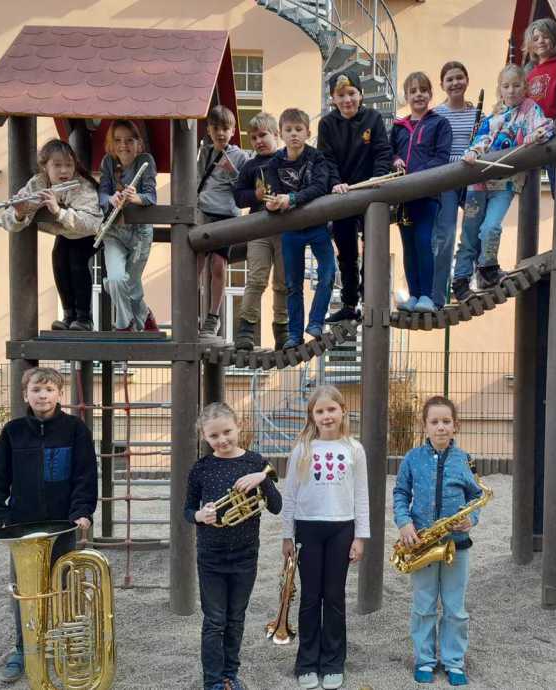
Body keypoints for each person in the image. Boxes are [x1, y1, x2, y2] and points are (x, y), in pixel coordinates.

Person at [0, 367, 97, 684]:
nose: (42, 395)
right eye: (36, 390)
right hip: (23, 528)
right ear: (25, 395)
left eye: (48, 389)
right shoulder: (12, 432)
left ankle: (63, 644)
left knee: (64, 587)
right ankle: (24, 648)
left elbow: (85, 477)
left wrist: (82, 511)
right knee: (24, 593)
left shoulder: (75, 430)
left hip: (62, 526)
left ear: (60, 394)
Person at [184, 402, 282, 690]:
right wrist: (200, 516)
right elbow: (187, 510)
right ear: (205, 437)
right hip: (211, 556)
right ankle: (213, 681)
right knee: (215, 620)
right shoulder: (201, 468)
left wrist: (263, 479)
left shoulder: (254, 463)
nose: (222, 440)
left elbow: (276, 507)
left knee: (236, 619)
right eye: (214, 436)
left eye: (227, 432)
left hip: (245, 556)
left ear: (238, 426)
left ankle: (230, 674)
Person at [280, 385, 369, 690]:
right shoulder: (302, 449)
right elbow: (289, 496)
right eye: (320, 411)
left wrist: (361, 537)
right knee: (309, 597)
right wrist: (287, 535)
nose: (327, 415)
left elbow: (361, 496)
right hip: (308, 529)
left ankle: (332, 662)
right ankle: (306, 663)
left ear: (343, 410)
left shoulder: (354, 449)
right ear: (312, 416)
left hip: (341, 529)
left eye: (332, 409)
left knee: (334, 597)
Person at [393, 395, 482, 687]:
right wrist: (405, 523)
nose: (441, 427)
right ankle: (425, 660)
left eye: (447, 422)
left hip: (458, 544)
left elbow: (476, 497)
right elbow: (401, 494)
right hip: (422, 544)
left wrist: (472, 519)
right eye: (435, 422)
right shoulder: (412, 459)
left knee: (455, 608)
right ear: (425, 425)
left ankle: (454, 661)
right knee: (424, 606)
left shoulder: (464, 460)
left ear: (456, 426)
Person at [451, 63, 552, 302]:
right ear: (500, 89)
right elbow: (482, 139)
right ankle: (461, 279)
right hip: (480, 182)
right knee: (470, 233)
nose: (512, 90)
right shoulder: (493, 116)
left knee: (491, 226)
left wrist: (534, 136)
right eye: (506, 86)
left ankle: (487, 269)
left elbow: (544, 128)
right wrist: (474, 152)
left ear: (525, 87)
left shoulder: (530, 110)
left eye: (517, 85)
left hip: (506, 182)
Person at [1, 139, 102, 331]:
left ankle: (84, 318)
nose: (64, 171)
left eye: (69, 165)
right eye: (57, 165)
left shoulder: (82, 185)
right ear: (45, 166)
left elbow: (92, 223)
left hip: (88, 235)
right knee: (59, 261)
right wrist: (19, 213)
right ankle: (68, 316)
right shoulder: (37, 183)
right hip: (65, 234)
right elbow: (8, 221)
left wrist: (58, 211)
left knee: (76, 262)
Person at [318, 68, 394, 322]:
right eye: (340, 95)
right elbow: (326, 159)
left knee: (373, 249)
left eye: (351, 93)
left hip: (370, 194)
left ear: (360, 94)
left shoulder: (373, 118)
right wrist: (336, 183)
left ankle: (370, 297)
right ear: (333, 99)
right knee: (347, 252)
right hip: (342, 195)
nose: (347, 100)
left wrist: (378, 177)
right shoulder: (327, 125)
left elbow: (383, 151)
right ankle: (350, 303)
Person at [263, 108, 336, 349]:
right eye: (289, 130)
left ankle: (316, 322)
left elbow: (319, 186)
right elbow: (271, 190)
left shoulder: (316, 157)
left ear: (307, 132)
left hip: (316, 225)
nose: (294, 134)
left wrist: (291, 198)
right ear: (280, 133)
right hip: (291, 228)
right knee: (292, 284)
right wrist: (273, 202)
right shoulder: (275, 163)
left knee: (327, 272)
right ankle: (295, 335)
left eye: (298, 130)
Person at [391, 71, 452, 313]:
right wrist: (395, 160)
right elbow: (389, 153)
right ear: (406, 96)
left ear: (430, 94)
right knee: (408, 246)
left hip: (427, 194)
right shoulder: (398, 127)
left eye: (423, 90)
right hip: (403, 197)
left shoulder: (439, 123)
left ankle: (427, 294)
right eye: (413, 91)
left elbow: (441, 157)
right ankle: (414, 295)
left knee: (424, 241)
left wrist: (418, 177)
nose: (418, 95)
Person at [233, 111, 290, 351]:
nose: (258, 141)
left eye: (263, 135)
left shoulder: (287, 159)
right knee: (256, 279)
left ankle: (283, 330)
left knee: (284, 282)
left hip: (286, 229)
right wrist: (253, 196)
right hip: (259, 229)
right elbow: (238, 197)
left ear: (276, 134)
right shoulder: (250, 166)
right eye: (253, 137)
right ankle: (246, 330)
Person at [98, 119, 160, 331]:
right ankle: (126, 324)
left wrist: (135, 198)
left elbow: (151, 196)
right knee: (115, 280)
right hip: (113, 232)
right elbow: (102, 194)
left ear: (138, 143)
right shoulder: (108, 162)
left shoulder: (146, 160)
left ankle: (142, 315)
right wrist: (111, 199)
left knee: (131, 284)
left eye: (129, 140)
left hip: (140, 233)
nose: (123, 145)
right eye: (118, 141)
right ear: (111, 144)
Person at [197, 106, 252, 338]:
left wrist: (232, 172)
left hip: (226, 216)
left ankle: (213, 317)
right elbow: (197, 180)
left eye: (225, 128)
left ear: (233, 131)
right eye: (216, 128)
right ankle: (193, 312)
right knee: (196, 265)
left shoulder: (241, 156)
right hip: (202, 214)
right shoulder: (204, 154)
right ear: (209, 130)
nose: (221, 133)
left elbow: (246, 189)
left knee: (218, 265)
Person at [432, 61, 480, 309]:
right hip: (448, 177)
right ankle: (438, 296)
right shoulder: (437, 114)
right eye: (449, 79)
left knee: (476, 228)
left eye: (459, 78)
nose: (455, 83)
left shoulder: (476, 114)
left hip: (472, 174)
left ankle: (470, 280)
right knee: (446, 235)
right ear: (442, 85)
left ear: (467, 80)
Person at [523, 17, 556, 196]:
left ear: (554, 38)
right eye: (536, 38)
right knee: (527, 187)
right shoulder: (530, 73)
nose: (541, 41)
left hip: (554, 131)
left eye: (545, 36)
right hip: (532, 133)